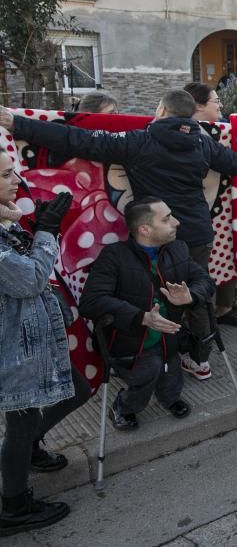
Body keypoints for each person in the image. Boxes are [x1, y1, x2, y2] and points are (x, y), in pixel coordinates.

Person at [0, 90, 237, 380]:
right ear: (189, 115)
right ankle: (200, 360)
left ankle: (153, 360)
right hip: (199, 232)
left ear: (161, 109)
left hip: (154, 235)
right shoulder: (202, 141)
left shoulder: (141, 140)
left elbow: (79, 140)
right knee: (194, 297)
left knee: (150, 297)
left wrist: (18, 124)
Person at [78, 197, 215, 430]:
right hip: (130, 340)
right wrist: (141, 317)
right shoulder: (115, 256)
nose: (177, 222)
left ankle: (169, 399)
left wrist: (190, 295)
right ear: (145, 229)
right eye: (167, 218)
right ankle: (124, 407)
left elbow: (204, 280)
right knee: (148, 372)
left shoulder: (178, 248)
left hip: (171, 336)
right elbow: (91, 302)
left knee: (172, 371)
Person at [0, 184, 87, 537]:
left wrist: (31, 227)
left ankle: (25, 451)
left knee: (76, 390)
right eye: (6, 173)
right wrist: (47, 231)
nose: (14, 179)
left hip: (30, 337)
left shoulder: (8, 222)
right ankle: (14, 506)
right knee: (21, 420)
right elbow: (31, 279)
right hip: (13, 344)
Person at [184, 82, 237, 328]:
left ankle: (223, 309)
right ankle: (202, 321)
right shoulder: (193, 136)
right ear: (199, 105)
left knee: (226, 260)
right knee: (199, 271)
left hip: (224, 213)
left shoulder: (223, 131)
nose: (221, 105)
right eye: (216, 100)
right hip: (198, 217)